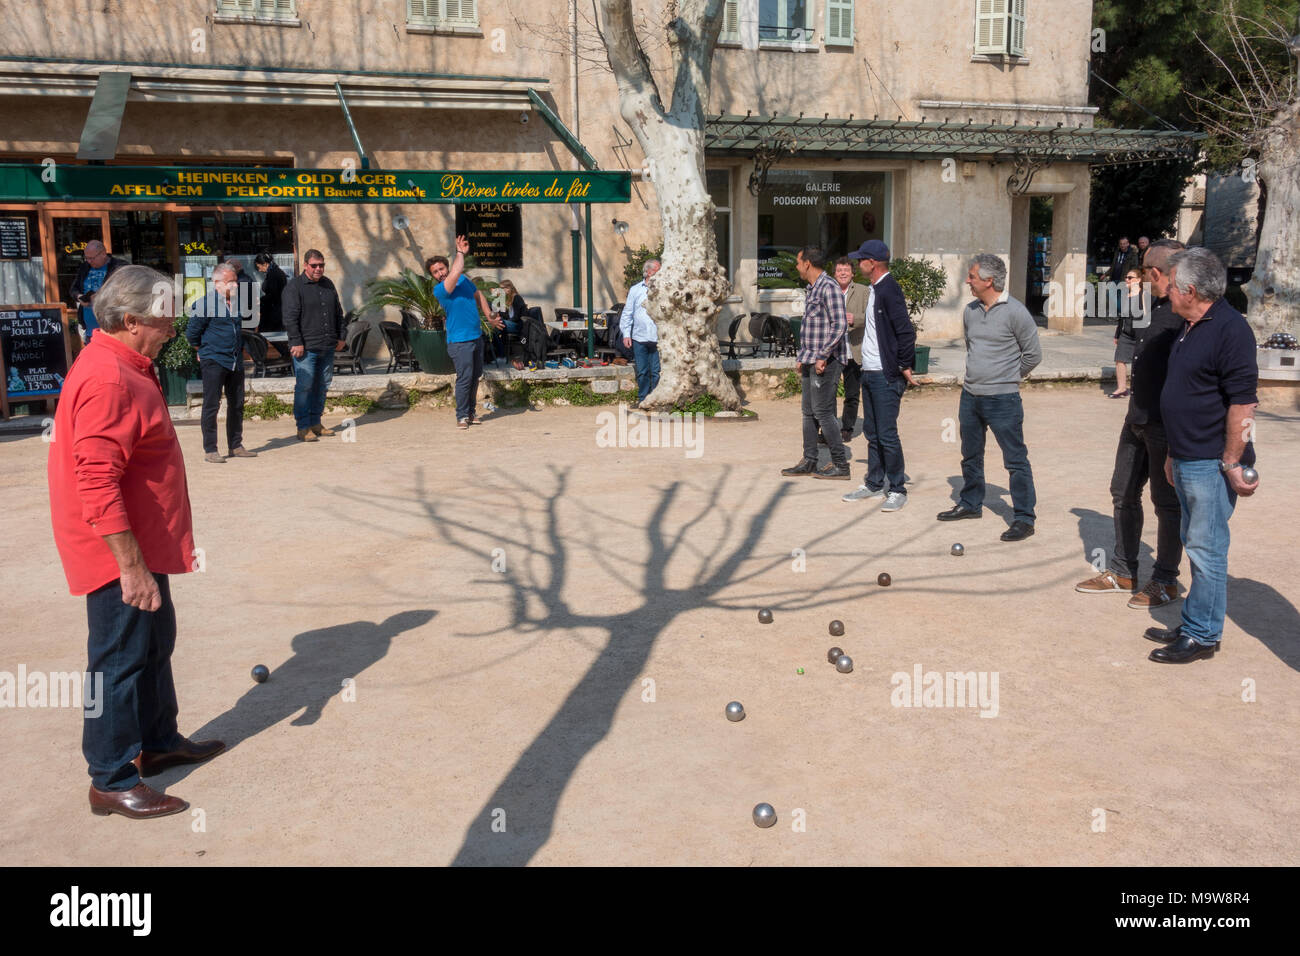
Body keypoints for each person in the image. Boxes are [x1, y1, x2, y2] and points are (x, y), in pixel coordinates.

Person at [47, 265, 225, 820]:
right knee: (117, 660)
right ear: (129, 321)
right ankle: (110, 776)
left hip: (143, 544)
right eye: (163, 319)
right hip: (117, 552)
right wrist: (130, 566)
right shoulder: (109, 378)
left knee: (152, 645)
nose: (172, 328)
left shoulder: (127, 363)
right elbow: (95, 481)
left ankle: (157, 740)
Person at [1145, 247, 1259, 664]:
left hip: (1212, 462)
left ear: (1190, 290)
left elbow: (1243, 405)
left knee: (1207, 551)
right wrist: (1174, 451)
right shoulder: (1192, 325)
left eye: (1172, 286)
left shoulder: (1230, 330)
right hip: (1188, 456)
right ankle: (1196, 619)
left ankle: (1203, 635)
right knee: (1194, 543)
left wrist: (1231, 461)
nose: (1167, 293)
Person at [1076, 240, 1186, 609]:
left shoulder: (1185, 312)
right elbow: (1130, 339)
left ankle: (1166, 580)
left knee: (1166, 503)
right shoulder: (1151, 305)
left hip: (1164, 423)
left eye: (1147, 273)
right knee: (1122, 491)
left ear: (1156, 272)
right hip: (1136, 417)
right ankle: (1123, 571)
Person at [937, 254, 1041, 541]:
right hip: (970, 396)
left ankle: (1024, 518)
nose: (967, 281)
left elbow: (1033, 355)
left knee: (1015, 460)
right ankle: (971, 504)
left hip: (1003, 399)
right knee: (970, 455)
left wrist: (1008, 376)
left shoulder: (1017, 312)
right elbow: (973, 347)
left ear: (989, 280)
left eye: (971, 276)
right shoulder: (970, 311)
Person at [840, 240, 918, 511]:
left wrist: (905, 365)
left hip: (886, 375)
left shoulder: (889, 290)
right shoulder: (873, 289)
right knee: (873, 432)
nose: (857, 263)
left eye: (861, 259)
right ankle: (874, 483)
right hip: (869, 371)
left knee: (886, 434)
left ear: (872, 263)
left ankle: (897, 488)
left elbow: (906, 332)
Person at [781, 246, 851, 480]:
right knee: (808, 412)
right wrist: (803, 357)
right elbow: (811, 327)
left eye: (799, 262)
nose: (797, 266)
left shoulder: (828, 287)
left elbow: (839, 325)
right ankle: (810, 460)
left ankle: (841, 465)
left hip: (826, 361)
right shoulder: (813, 288)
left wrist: (822, 355)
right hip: (811, 359)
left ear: (808, 263)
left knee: (823, 412)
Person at [429, 236, 503, 429]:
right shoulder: (441, 290)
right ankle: (461, 415)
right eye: (435, 272)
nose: (440, 273)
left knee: (475, 376)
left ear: (447, 267)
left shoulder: (463, 280)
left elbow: (477, 294)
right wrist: (460, 252)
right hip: (459, 342)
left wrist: (489, 315)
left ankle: (471, 412)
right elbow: (456, 271)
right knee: (464, 378)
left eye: (441, 269)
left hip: (475, 337)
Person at [187, 263, 256, 463]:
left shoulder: (236, 303)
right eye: (230, 282)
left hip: (235, 361)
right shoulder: (204, 304)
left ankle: (236, 445)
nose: (235, 285)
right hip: (214, 361)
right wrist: (203, 350)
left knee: (236, 404)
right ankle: (210, 449)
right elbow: (192, 334)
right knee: (211, 405)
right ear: (217, 283)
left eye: (235, 281)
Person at [282, 249, 347, 442]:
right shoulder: (294, 287)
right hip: (306, 347)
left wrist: (342, 336)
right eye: (314, 265)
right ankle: (303, 427)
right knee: (305, 386)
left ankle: (316, 422)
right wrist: (296, 341)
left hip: (327, 345)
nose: (318, 269)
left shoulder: (328, 284)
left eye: (321, 265)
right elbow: (290, 318)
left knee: (322, 385)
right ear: (305, 265)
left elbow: (338, 313)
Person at [832, 256, 870, 444]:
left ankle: (847, 428)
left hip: (854, 349)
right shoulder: (829, 291)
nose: (843, 273)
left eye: (846, 270)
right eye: (839, 270)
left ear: (852, 273)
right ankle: (829, 429)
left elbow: (871, 316)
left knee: (852, 393)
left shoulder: (864, 291)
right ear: (835, 273)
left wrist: (855, 318)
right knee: (828, 394)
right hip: (833, 351)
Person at [620, 259, 661, 404]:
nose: (661, 273)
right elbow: (627, 313)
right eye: (658, 270)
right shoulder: (635, 290)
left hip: (658, 338)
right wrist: (626, 334)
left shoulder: (663, 289)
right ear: (649, 272)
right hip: (639, 337)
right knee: (643, 371)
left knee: (656, 372)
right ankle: (643, 399)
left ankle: (655, 400)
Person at [70, 240, 124, 342]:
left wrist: (100, 298)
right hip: (90, 331)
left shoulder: (119, 267)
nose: (89, 261)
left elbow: (127, 292)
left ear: (103, 254)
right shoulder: (85, 267)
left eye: (92, 258)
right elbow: (73, 289)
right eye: (87, 258)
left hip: (114, 330)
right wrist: (79, 297)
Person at [1109, 268, 1144, 398]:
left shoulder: (1145, 296)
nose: (1127, 280)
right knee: (1119, 359)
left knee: (1139, 362)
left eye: (1130, 278)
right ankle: (1122, 388)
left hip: (1140, 334)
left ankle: (1138, 388)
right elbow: (1121, 317)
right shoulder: (1125, 295)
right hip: (1126, 333)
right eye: (1126, 277)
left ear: (1139, 280)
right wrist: (1117, 334)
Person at [254, 252, 288, 335]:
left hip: (273, 312)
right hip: (276, 310)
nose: (259, 270)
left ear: (265, 264)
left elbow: (273, 295)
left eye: (259, 267)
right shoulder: (275, 272)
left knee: (266, 336)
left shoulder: (273, 274)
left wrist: (260, 300)